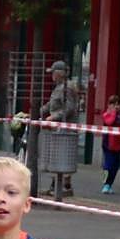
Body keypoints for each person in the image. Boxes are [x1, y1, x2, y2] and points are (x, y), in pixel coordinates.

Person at [40, 61, 78, 197]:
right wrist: (39, 111)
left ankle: (63, 187)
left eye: (53, 73)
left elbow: (69, 107)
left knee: (62, 157)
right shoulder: (59, 87)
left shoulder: (67, 88)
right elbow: (52, 103)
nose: (52, 76)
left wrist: (54, 116)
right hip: (57, 127)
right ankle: (57, 187)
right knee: (56, 157)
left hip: (65, 128)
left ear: (59, 74)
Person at [100, 95, 120, 194]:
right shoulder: (107, 114)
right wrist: (114, 112)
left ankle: (110, 184)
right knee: (108, 164)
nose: (116, 106)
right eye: (113, 104)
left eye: (118, 104)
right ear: (109, 105)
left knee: (115, 165)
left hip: (118, 144)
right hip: (108, 144)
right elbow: (109, 122)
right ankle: (105, 184)